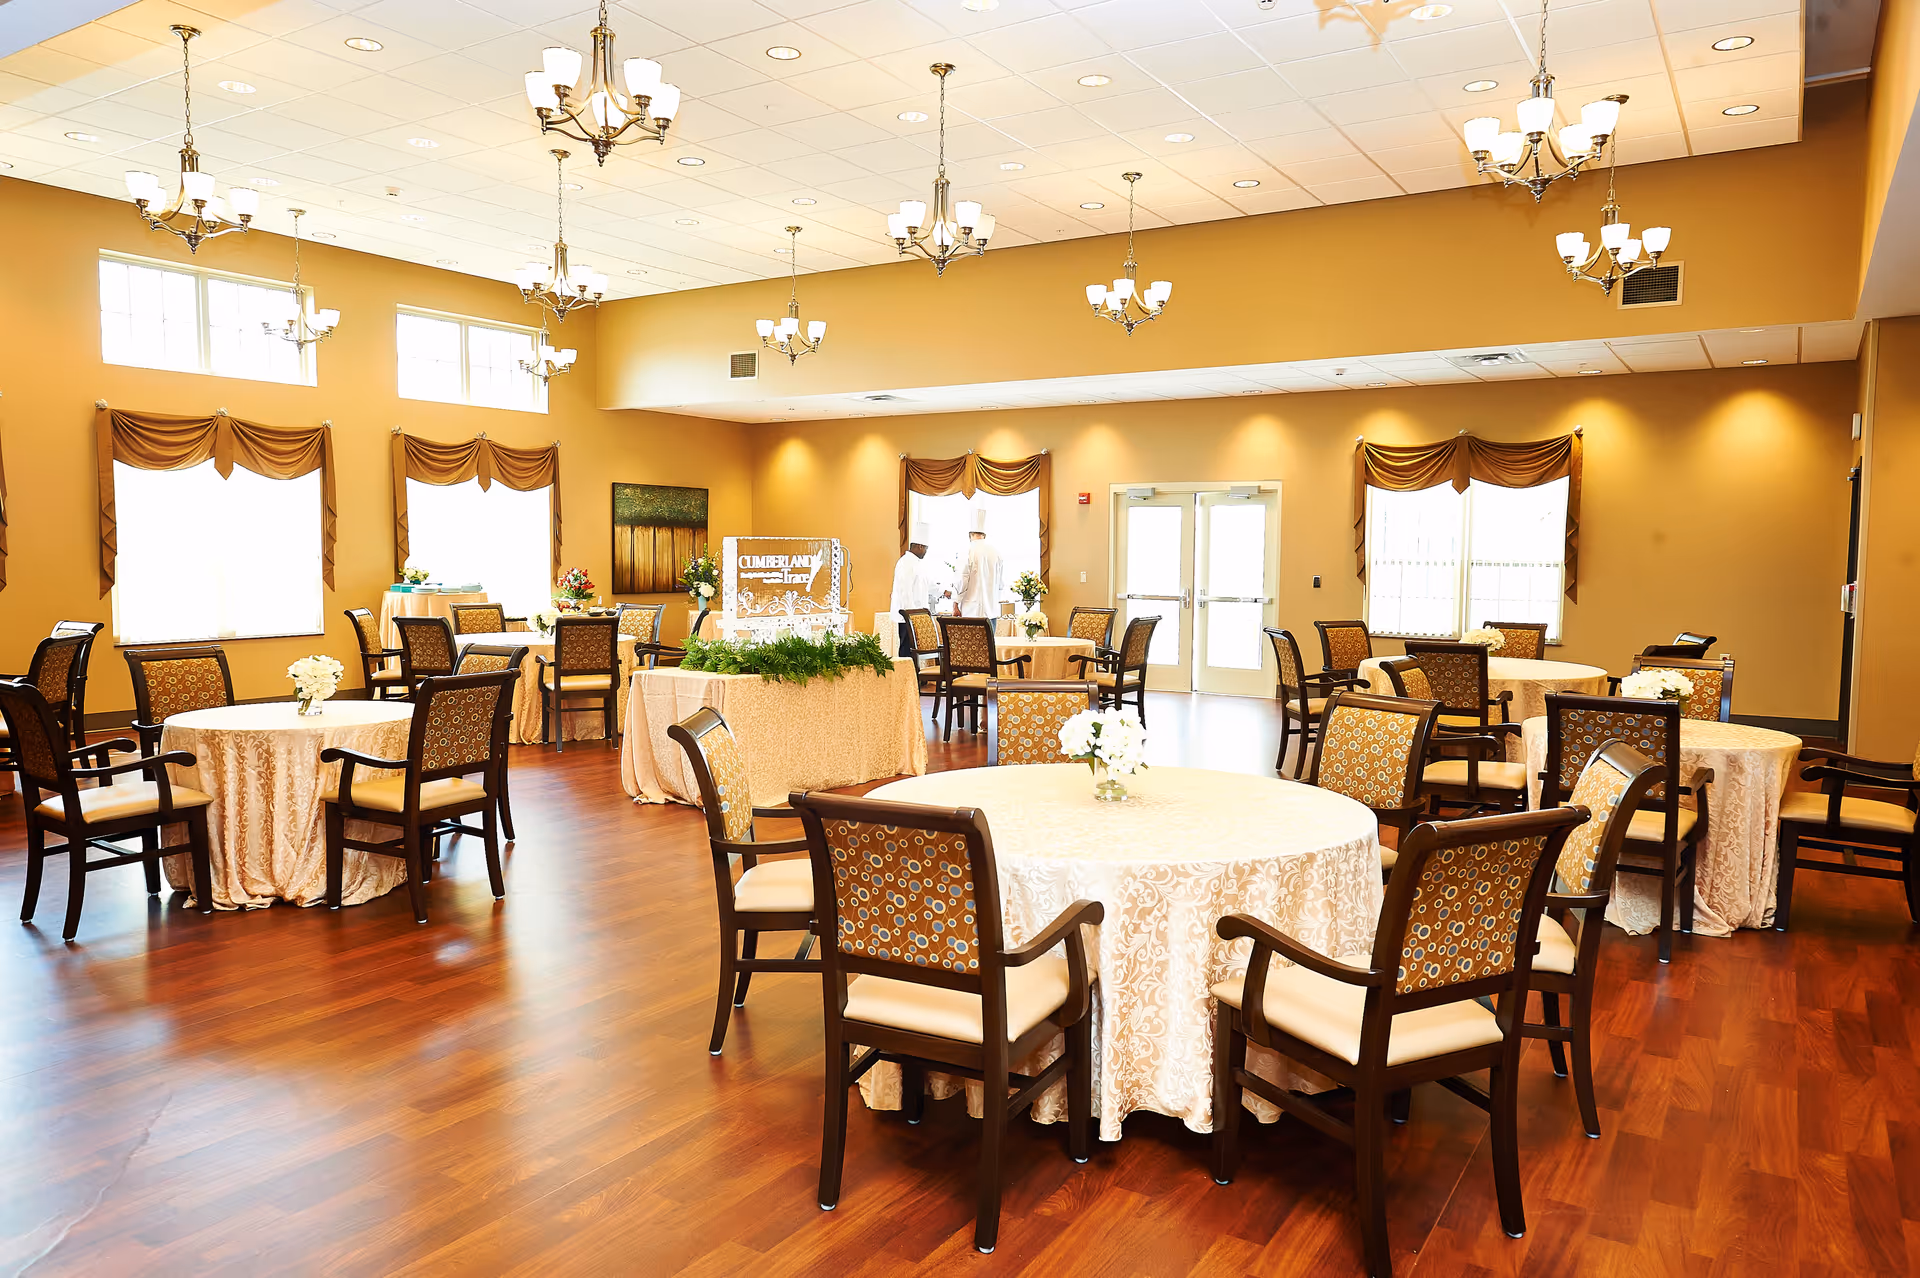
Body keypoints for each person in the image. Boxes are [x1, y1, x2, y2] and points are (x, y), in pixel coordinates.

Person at [891, 521, 939, 654]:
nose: (926, 552)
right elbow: (904, 591)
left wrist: (944, 592)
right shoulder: (905, 563)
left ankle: (913, 674)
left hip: (916, 615)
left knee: (914, 652)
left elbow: (928, 584)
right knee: (907, 649)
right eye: (925, 549)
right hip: (907, 615)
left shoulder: (918, 564)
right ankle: (905, 674)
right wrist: (910, 615)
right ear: (919, 546)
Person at [956, 508, 1004, 619]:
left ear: (970, 535)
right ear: (984, 535)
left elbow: (962, 580)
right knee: (990, 637)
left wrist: (955, 603)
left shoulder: (968, 550)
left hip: (972, 612)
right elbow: (1001, 585)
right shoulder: (996, 553)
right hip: (992, 612)